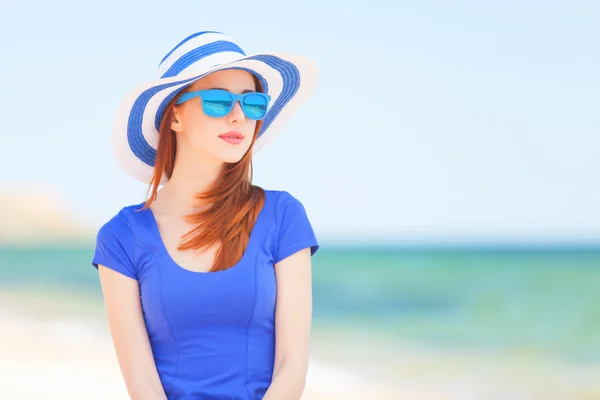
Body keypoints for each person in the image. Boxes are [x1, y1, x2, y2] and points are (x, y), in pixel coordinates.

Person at [91, 30, 320, 400]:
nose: (238, 117)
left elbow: (292, 368)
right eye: (217, 101)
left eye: (252, 104)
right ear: (175, 116)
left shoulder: (282, 216)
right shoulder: (122, 237)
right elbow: (142, 382)